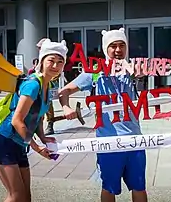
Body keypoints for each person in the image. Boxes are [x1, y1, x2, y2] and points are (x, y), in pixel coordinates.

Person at [58, 28, 148, 202]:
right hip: (108, 144)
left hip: (135, 141)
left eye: (122, 45)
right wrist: (66, 108)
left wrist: (141, 75)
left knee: (139, 187)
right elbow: (64, 91)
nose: (118, 50)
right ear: (106, 48)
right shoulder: (94, 73)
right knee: (109, 188)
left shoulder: (132, 70)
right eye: (113, 46)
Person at [0, 39, 68, 202]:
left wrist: (43, 137)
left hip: (19, 146)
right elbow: (17, 120)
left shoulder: (49, 85)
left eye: (60, 62)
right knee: (16, 196)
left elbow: (39, 116)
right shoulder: (33, 84)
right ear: (42, 60)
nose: (55, 66)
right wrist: (37, 148)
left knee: (25, 197)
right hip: (4, 142)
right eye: (51, 60)